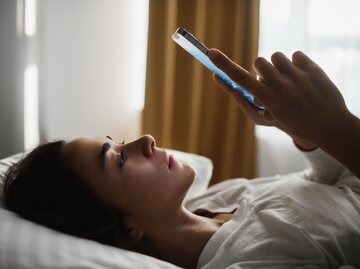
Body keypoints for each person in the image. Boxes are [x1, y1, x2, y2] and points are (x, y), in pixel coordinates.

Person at [3, 50, 360, 269]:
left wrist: (303, 131)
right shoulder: (254, 261)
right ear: (128, 229)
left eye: (122, 143)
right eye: (120, 161)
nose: (146, 140)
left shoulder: (218, 199)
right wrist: (339, 128)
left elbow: (327, 185)